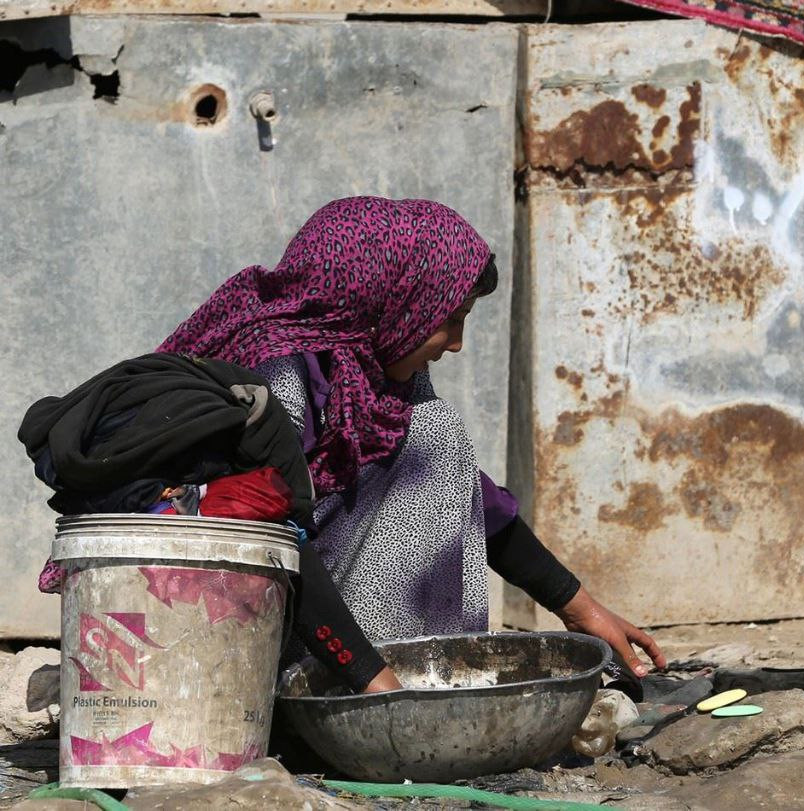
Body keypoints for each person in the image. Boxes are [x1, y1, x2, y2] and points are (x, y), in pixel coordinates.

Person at [160, 196, 666, 692]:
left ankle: (408, 677)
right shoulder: (280, 379)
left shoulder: (371, 369)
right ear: (392, 300)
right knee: (434, 429)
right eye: (451, 319)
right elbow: (265, 543)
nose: (457, 344)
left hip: (329, 640)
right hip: (250, 646)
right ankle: (381, 689)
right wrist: (372, 681)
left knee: (434, 431)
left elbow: (463, 490)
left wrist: (577, 606)